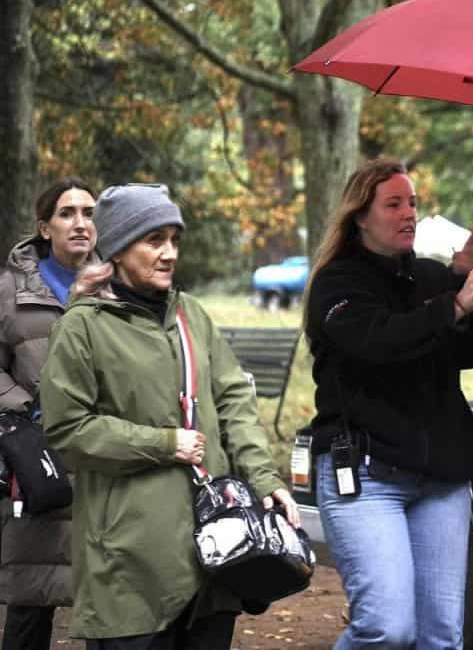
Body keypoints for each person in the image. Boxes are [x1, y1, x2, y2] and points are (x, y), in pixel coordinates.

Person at [39, 183, 299, 649]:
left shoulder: (192, 316)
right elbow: (66, 427)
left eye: (174, 240)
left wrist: (265, 480)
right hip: (130, 564)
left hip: (216, 553)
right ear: (118, 249)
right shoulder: (82, 326)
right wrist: (163, 443)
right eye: (154, 240)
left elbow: (234, 400)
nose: (169, 253)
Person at [304, 158, 473, 650]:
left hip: (440, 477)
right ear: (360, 217)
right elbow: (377, 341)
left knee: (441, 638)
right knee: (387, 630)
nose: (409, 213)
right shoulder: (338, 284)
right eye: (393, 203)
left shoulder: (433, 278)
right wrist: (452, 305)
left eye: (412, 202)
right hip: (367, 475)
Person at [0, 177, 98, 650]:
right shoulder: (10, 290)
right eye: (67, 213)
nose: (81, 223)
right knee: (32, 590)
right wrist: (24, 415)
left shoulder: (118, 285)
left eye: (89, 213)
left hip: (103, 455)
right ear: (45, 227)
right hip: (38, 462)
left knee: (110, 596)